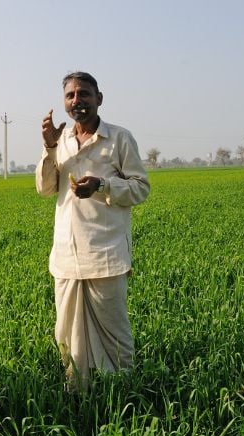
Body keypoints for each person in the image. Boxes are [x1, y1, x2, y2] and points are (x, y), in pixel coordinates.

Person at [36, 71, 150, 391]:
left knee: (114, 334)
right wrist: (48, 147)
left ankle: (122, 395)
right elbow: (46, 189)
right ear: (64, 103)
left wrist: (101, 185)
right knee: (66, 334)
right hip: (66, 256)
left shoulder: (120, 139)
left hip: (105, 253)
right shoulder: (60, 143)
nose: (77, 101)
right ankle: (79, 394)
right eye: (70, 96)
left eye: (84, 94)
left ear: (99, 99)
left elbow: (140, 189)